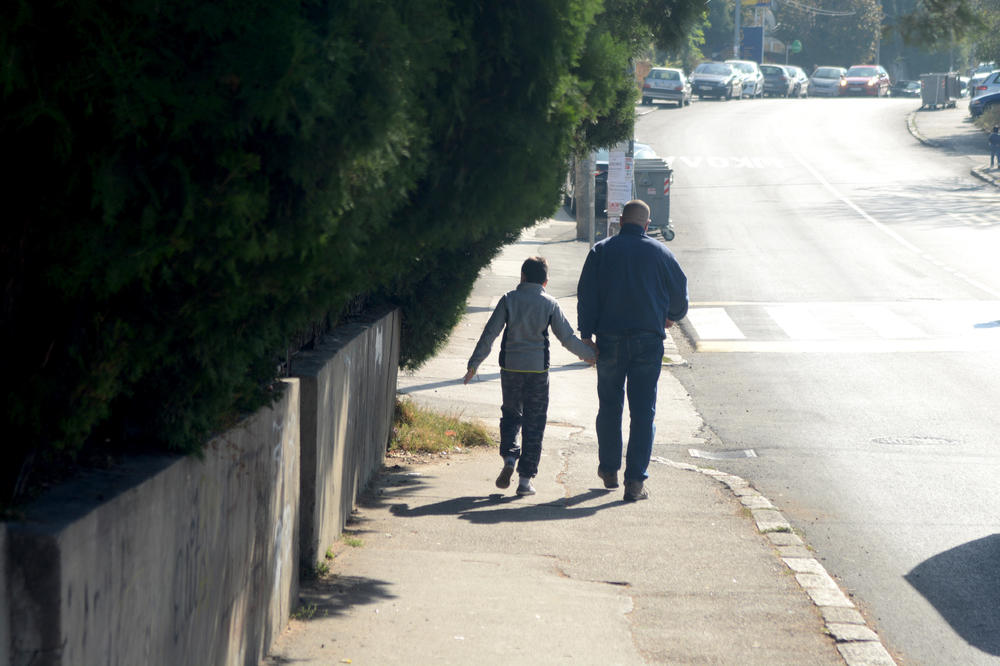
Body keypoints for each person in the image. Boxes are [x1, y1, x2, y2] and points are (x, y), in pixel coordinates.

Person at [576, 199, 688, 502]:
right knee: (643, 411)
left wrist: (586, 334)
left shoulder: (601, 251)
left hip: (610, 338)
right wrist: (671, 316)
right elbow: (680, 294)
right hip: (648, 341)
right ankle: (635, 481)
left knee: (609, 406)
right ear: (647, 225)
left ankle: (609, 469)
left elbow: (586, 293)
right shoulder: (662, 253)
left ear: (621, 221)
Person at [464, 256, 596, 496]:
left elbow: (490, 333)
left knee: (511, 415)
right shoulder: (550, 304)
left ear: (522, 277)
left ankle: (509, 459)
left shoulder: (508, 300)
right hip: (537, 372)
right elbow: (567, 338)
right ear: (545, 282)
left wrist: (474, 364)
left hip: (510, 369)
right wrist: (591, 355)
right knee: (534, 424)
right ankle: (525, 481)